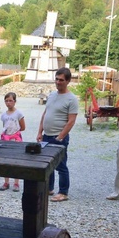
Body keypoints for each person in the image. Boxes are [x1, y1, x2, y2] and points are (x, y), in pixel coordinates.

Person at [36, 68, 78, 202]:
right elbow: (45, 113)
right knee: (47, 164)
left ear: (68, 81)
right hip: (47, 135)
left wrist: (60, 137)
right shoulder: (52, 95)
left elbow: (71, 121)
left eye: (61, 80)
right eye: (56, 79)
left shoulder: (72, 99)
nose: (58, 82)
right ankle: (49, 188)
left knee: (61, 165)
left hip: (59, 137)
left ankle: (63, 192)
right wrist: (40, 131)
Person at [0, 92, 25, 192]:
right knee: (6, 160)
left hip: (15, 138)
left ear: (15, 101)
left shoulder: (19, 114)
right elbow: (4, 125)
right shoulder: (3, 115)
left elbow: (23, 127)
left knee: (16, 160)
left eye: (10, 100)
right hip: (6, 138)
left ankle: (16, 183)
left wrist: (15, 134)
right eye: (6, 101)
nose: (8, 103)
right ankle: (6, 182)